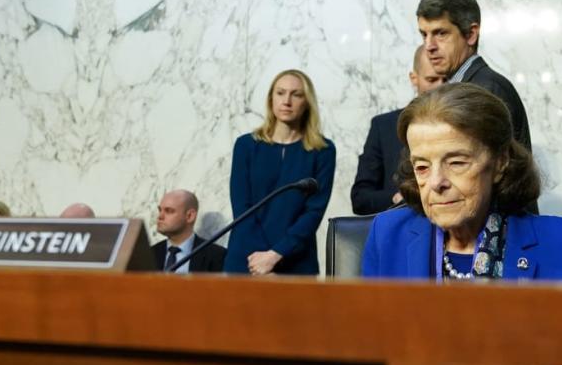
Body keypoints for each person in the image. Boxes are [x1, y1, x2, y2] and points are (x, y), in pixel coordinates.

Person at [362, 83, 562, 281]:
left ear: (500, 162)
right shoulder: (387, 235)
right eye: (422, 167)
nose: (436, 182)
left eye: (456, 163)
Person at [226, 69, 336, 276]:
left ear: (307, 102)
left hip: (296, 262)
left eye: (296, 94)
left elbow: (314, 211)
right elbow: (242, 207)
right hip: (247, 259)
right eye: (280, 93)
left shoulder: (323, 150)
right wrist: (262, 260)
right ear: (271, 99)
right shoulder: (246, 145)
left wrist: (276, 254)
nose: (286, 101)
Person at [416, 0, 531, 150]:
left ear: (471, 34)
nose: (429, 46)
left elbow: (497, 169)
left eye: (440, 33)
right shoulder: (462, 87)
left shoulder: (488, 89)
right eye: (424, 35)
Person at [351, 46, 445, 215]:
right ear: (413, 78)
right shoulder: (383, 126)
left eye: (447, 79)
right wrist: (397, 198)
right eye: (432, 80)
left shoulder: (464, 128)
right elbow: (360, 198)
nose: (440, 87)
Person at [153, 190, 225, 273]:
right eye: (160, 210)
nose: (160, 216)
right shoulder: (148, 255)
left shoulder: (216, 255)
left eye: (169, 211)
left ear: (190, 216)